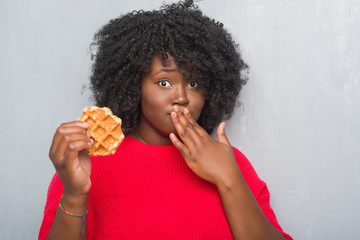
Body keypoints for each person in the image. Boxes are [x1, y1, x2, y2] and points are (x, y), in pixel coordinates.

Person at [39, 0, 293, 239]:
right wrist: (74, 195)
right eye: (164, 82)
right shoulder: (83, 168)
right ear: (133, 86)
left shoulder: (231, 161)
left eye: (194, 83)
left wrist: (230, 178)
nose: (182, 97)